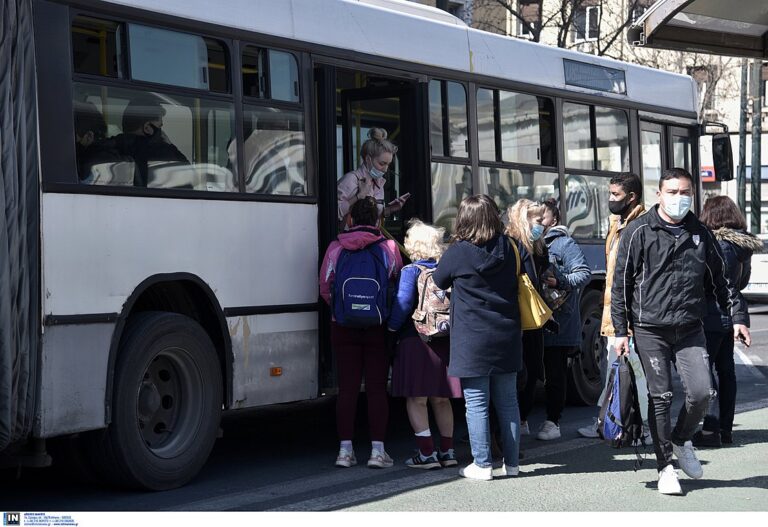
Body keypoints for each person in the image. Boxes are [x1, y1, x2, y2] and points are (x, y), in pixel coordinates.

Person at [611, 168, 750, 495]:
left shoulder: (701, 233)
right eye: (672, 192)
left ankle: (682, 438)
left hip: (690, 327)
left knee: (702, 392)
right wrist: (620, 330)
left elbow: (723, 283)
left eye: (684, 192)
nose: (678, 198)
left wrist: (738, 317)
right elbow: (621, 284)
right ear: (659, 194)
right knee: (661, 396)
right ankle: (665, 468)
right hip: (650, 329)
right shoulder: (638, 231)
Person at [433, 195, 523, 481]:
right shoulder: (510, 247)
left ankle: (482, 464)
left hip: (472, 337)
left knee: (476, 403)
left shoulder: (458, 251)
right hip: (506, 333)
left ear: (464, 219)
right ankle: (512, 464)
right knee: (508, 402)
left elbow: (438, 281)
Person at [319, 196, 403, 469]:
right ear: (377, 221)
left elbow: (325, 286)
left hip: (343, 326)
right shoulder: (389, 247)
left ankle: (345, 451)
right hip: (377, 327)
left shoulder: (335, 247)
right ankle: (378, 451)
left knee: (347, 389)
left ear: (351, 219)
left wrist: (343, 309)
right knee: (378, 389)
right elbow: (396, 283)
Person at [388, 219, 463, 469]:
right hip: (444, 340)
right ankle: (448, 452)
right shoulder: (445, 270)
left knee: (416, 399)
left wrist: (390, 329)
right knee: (442, 399)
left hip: (415, 340)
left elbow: (402, 305)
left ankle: (426, 453)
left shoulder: (411, 271)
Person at [578, 173, 647, 438]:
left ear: (632, 197)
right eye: (609, 194)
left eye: (615, 195)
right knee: (615, 370)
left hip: (631, 316)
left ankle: (638, 428)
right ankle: (608, 422)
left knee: (635, 373)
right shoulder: (617, 223)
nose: (610, 199)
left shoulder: (640, 226)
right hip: (615, 313)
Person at [694, 196, 761, 448]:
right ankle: (725, 429)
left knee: (705, 371)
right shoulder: (741, 245)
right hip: (731, 314)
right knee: (726, 372)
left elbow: (716, 282)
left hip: (712, 312)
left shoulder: (717, 244)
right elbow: (741, 283)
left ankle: (711, 429)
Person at [537, 198, 590, 440]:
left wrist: (560, 281)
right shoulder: (527, 243)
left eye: (542, 217)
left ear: (553, 220)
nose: (537, 222)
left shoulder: (563, 243)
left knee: (554, 371)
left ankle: (553, 421)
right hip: (533, 318)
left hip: (558, 319)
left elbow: (583, 273)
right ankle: (523, 420)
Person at [504, 199, 548, 438]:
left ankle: (521, 419)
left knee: (531, 369)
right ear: (524, 220)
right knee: (522, 371)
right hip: (521, 317)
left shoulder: (538, 246)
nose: (543, 224)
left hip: (533, 316)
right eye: (538, 220)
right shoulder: (513, 244)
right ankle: (515, 420)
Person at [337, 128, 410, 229]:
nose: (385, 170)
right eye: (382, 164)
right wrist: (358, 196)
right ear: (368, 159)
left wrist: (390, 209)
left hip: (370, 238)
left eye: (388, 165)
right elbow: (334, 213)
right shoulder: (350, 180)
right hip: (351, 241)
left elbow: (370, 217)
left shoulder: (378, 184)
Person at [113, 97, 189, 187]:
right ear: (147, 128)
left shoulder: (107, 147)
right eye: (160, 126)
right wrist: (170, 145)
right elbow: (188, 179)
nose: (161, 131)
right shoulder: (161, 153)